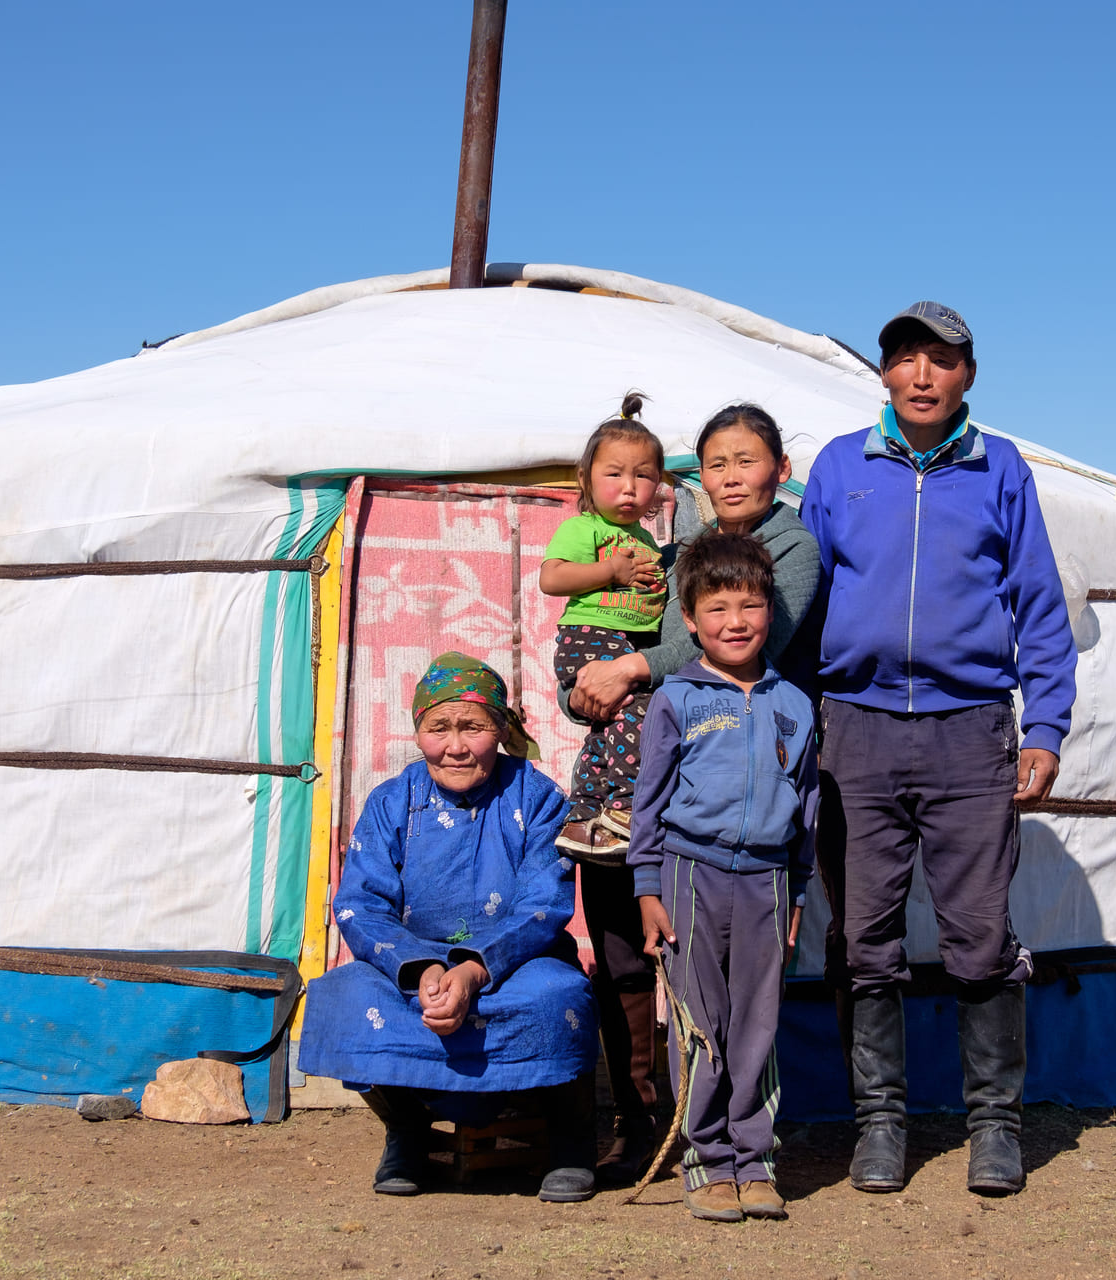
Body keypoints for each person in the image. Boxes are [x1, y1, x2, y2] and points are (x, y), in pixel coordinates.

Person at [799, 301, 1078, 1197]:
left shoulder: (1002, 470)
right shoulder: (842, 466)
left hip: (969, 731)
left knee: (980, 934)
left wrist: (1046, 726)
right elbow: (802, 600)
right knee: (865, 936)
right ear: (882, 372)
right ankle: (879, 1127)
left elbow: (1037, 602)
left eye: (942, 360)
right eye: (906, 358)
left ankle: (994, 1126)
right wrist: (794, 717)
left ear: (967, 376)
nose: (923, 374)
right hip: (857, 726)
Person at [564, 402, 825, 1183]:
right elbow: (644, 623)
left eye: (747, 459)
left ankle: (736, 1148)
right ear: (700, 477)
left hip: (748, 818)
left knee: (740, 1009)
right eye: (716, 463)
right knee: (631, 959)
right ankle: (651, 1123)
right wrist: (589, 677)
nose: (731, 475)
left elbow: (697, 644)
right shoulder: (672, 548)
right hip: (669, 821)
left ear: (780, 468)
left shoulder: (791, 548)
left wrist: (624, 669)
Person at [296, 652, 599, 1203]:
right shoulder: (393, 801)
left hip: (515, 963)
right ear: (419, 734)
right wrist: (423, 968)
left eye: (472, 727)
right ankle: (407, 1131)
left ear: (501, 731)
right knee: (340, 994)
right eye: (439, 728)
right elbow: (361, 903)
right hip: (412, 964)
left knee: (560, 998)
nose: (455, 746)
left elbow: (544, 904)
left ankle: (572, 1142)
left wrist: (471, 970)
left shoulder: (539, 798)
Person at [629, 530, 819, 1223]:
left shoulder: (795, 706)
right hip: (688, 874)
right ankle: (707, 1162)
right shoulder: (676, 699)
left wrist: (798, 889)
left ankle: (756, 1160)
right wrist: (647, 887)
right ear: (689, 622)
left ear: (771, 610)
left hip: (767, 879)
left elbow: (807, 807)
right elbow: (647, 801)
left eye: (749, 606)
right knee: (700, 1024)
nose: (734, 622)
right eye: (717, 609)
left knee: (757, 1025)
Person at [540, 391, 669, 861]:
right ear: (586, 479)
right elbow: (550, 578)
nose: (629, 487)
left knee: (608, 729)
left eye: (643, 476)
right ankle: (624, 809)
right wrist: (609, 572)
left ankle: (583, 816)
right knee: (641, 713)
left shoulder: (646, 539)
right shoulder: (584, 528)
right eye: (613, 474)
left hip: (622, 641)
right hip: (589, 638)